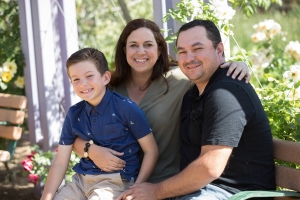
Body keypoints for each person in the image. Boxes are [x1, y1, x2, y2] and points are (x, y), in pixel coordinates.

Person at [73, 19, 250, 185]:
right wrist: (91, 150)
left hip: (163, 183)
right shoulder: (109, 88)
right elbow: (73, 137)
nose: (140, 52)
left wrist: (239, 65)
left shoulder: (180, 80)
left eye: (148, 45)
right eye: (133, 45)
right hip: (112, 181)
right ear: (124, 50)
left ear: (159, 50)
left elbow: (207, 69)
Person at [116, 19, 276, 200]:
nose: (189, 58)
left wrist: (155, 191)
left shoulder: (226, 92)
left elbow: (210, 167)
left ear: (219, 50)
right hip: (197, 189)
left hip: (235, 194)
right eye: (182, 51)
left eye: (197, 48)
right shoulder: (192, 94)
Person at [40, 48, 159, 200]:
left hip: (114, 182)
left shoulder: (126, 108)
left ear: (105, 77)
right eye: (76, 79)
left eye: (89, 76)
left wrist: (137, 188)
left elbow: (151, 151)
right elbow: (60, 162)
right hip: (80, 181)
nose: (83, 84)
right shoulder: (74, 114)